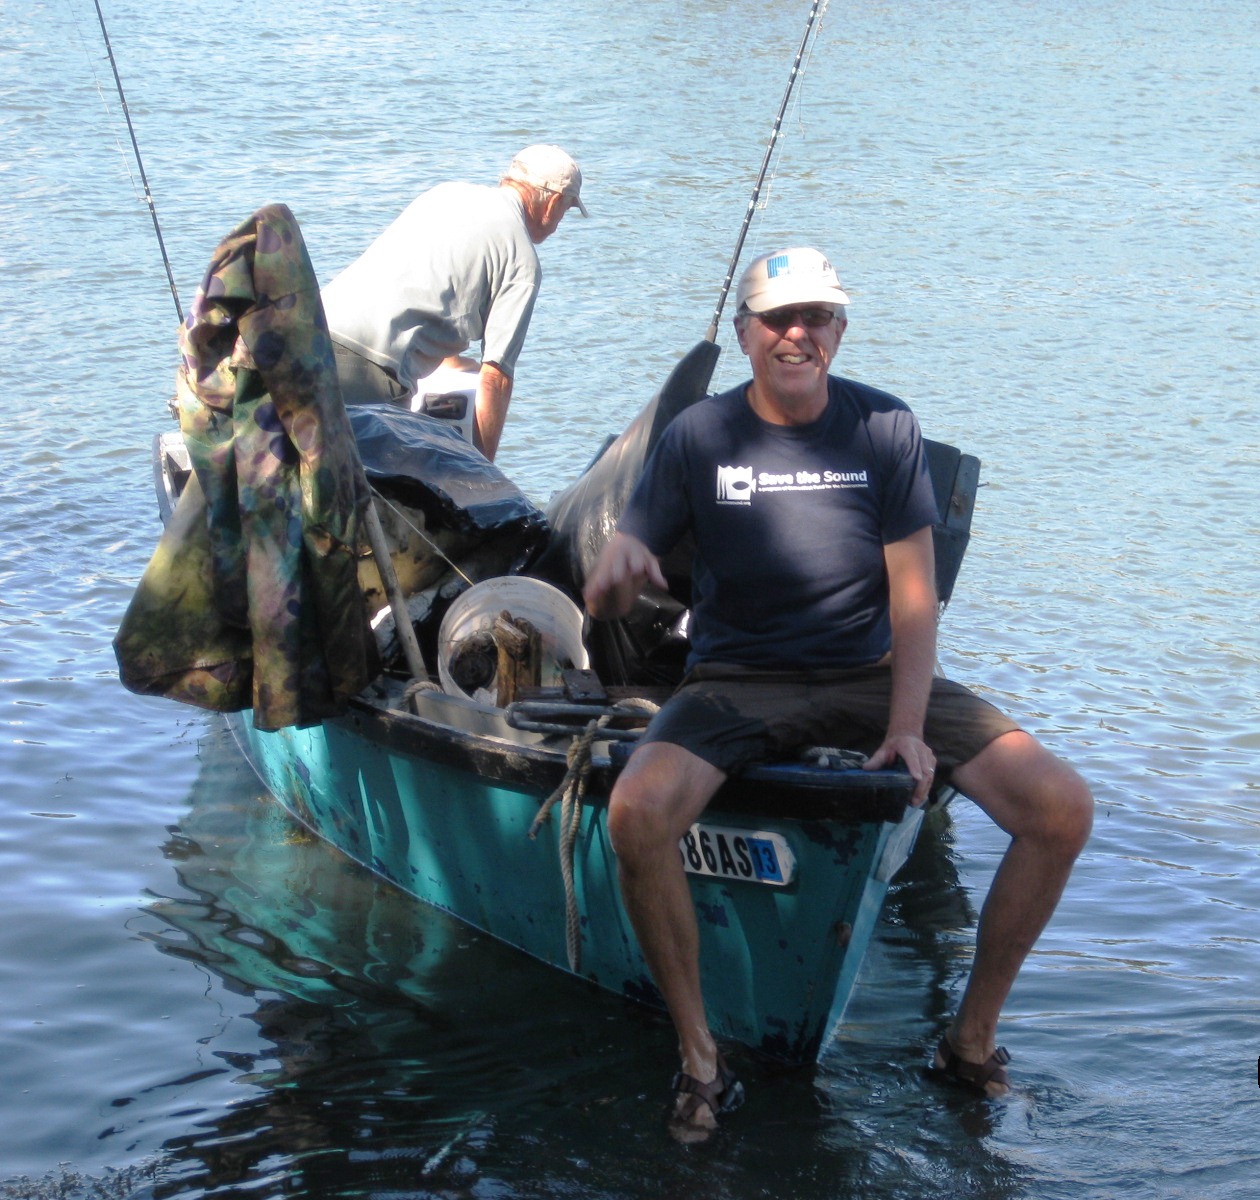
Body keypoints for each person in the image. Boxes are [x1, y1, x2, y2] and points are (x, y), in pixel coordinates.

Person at [582, 246, 1093, 1140]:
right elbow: (619, 587)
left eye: (816, 317)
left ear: (840, 331)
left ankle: (968, 1044)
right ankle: (703, 1061)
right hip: (738, 679)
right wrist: (616, 578)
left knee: (1061, 809)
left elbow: (913, 597)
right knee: (635, 812)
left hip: (869, 674)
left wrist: (906, 725)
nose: (797, 333)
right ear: (745, 335)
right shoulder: (697, 436)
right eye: (778, 318)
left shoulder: (884, 428)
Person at [321, 144, 587, 461]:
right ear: (553, 203)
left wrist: (449, 358)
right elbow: (495, 378)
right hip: (369, 367)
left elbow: (423, 284)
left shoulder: (446, 194)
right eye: (567, 210)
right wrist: (485, 475)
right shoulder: (522, 261)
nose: (560, 222)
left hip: (311, 330)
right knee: (373, 489)